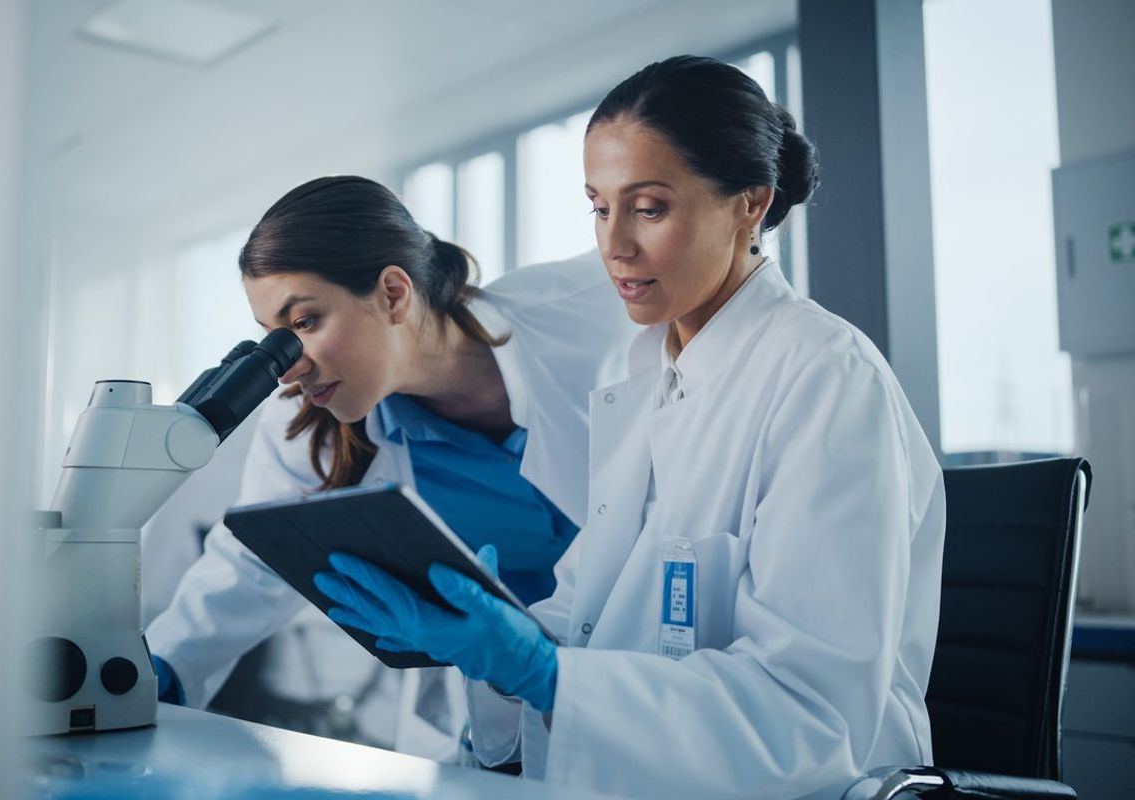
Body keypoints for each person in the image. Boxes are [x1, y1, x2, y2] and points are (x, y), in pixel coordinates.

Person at [312, 55, 945, 799]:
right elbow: (588, 619)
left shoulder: (825, 378)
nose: (613, 245)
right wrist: (497, 644)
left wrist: (543, 673)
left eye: (648, 208)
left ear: (750, 204)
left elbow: (811, 717)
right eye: (598, 206)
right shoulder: (642, 378)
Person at [145, 175, 636, 760]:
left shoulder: (590, 310)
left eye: (304, 322)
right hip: (504, 711)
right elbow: (251, 565)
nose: (289, 368)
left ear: (394, 294)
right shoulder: (310, 419)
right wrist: (155, 671)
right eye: (274, 337)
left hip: (643, 681)